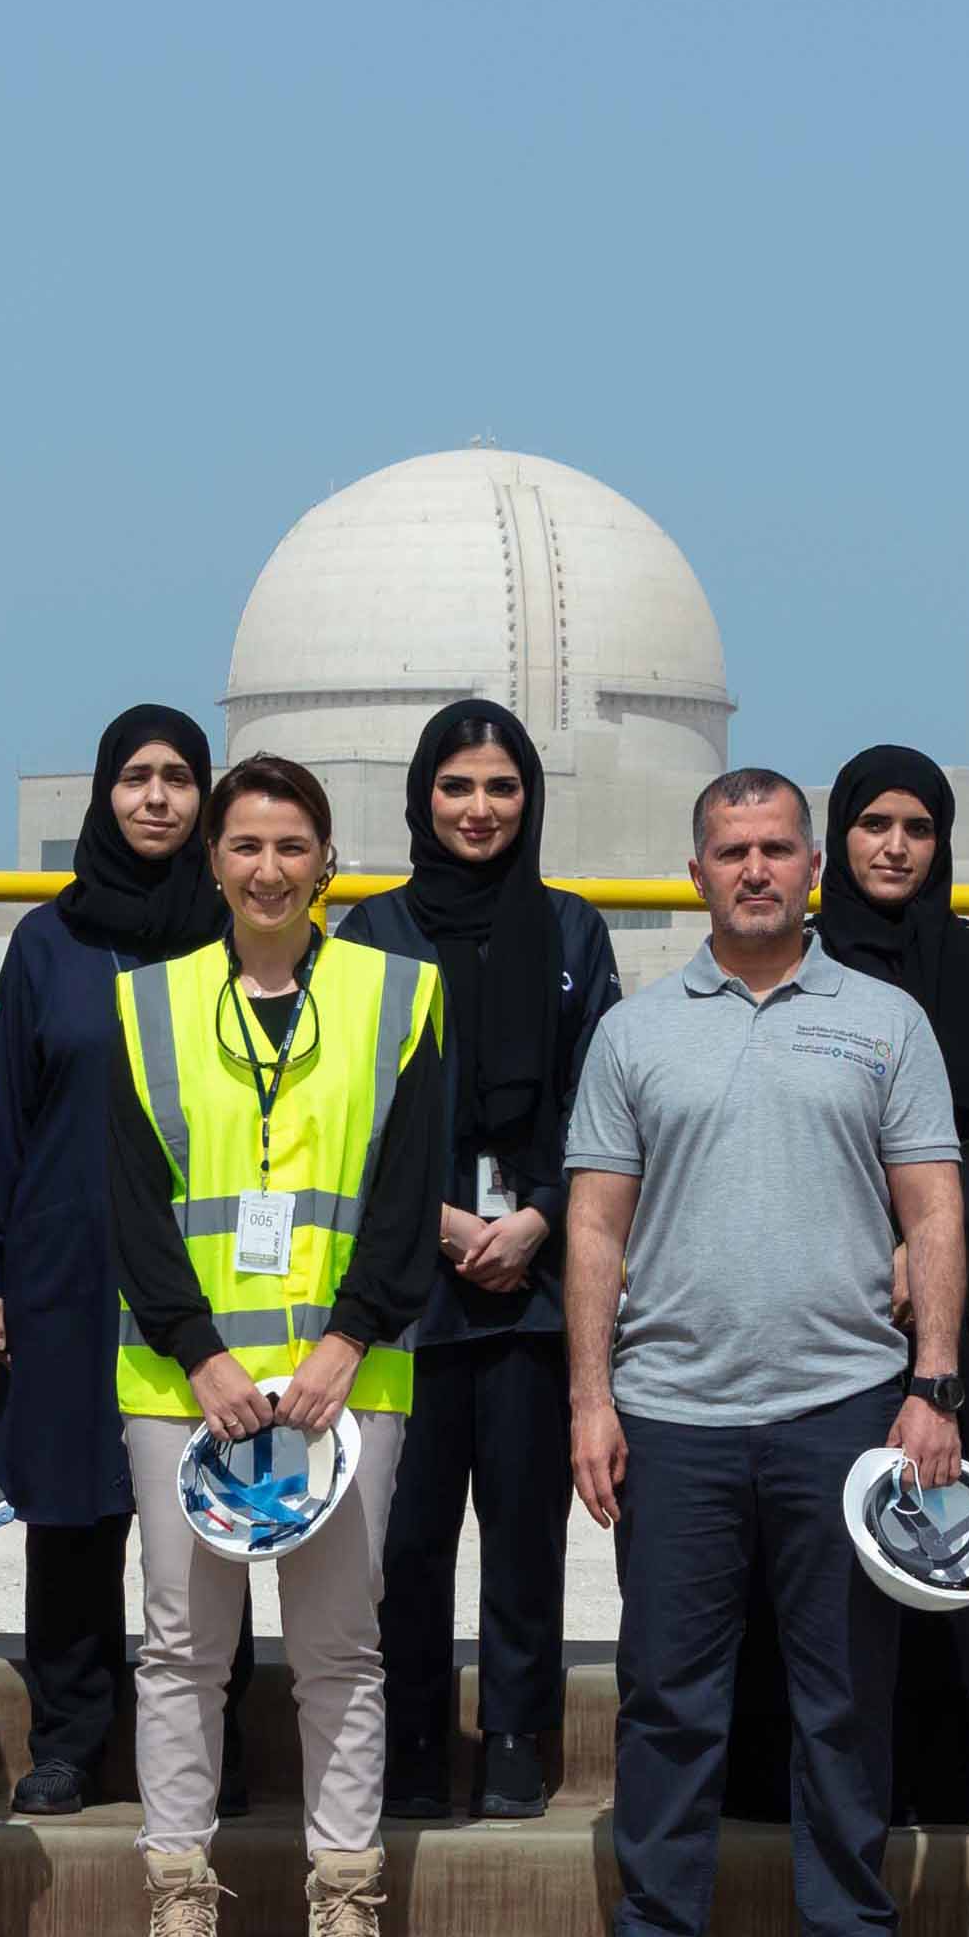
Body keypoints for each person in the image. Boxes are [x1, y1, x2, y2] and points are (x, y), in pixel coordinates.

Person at [566, 771, 969, 1937]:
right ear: (695, 872)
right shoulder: (635, 1032)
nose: (755, 869)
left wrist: (934, 1385)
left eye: (776, 849)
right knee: (668, 1691)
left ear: (812, 869)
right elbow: (590, 1225)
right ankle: (654, 1936)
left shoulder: (886, 1021)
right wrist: (592, 1398)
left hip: (842, 1409)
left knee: (842, 1692)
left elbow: (934, 1210)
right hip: (674, 1412)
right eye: (731, 850)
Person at [104, 756, 450, 1937]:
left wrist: (346, 1343)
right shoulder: (146, 1006)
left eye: (291, 846)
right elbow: (134, 1208)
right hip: (178, 1383)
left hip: (343, 1383)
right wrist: (199, 1354)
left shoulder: (401, 995)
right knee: (182, 1649)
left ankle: (343, 1900)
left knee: (338, 1650)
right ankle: (180, 1895)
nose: (266, 870)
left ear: (327, 862)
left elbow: (409, 1194)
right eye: (243, 845)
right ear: (212, 860)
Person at [335, 700, 622, 1821]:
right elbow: (350, 1110)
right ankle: (409, 1736)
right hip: (408, 1284)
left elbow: (601, 1097)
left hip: (535, 1288)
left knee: (521, 1524)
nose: (478, 808)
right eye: (457, 787)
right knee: (404, 1534)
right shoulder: (372, 932)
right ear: (422, 798)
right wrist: (446, 1225)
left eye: (500, 787)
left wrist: (541, 1217)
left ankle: (513, 1733)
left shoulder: (570, 930)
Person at [0, 707, 247, 1816]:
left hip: (203, 1277)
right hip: (68, 1269)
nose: (156, 797)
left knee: (208, 1516)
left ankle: (208, 1744)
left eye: (179, 777)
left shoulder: (233, 938)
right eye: (134, 776)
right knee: (74, 1518)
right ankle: (70, 1741)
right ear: (103, 791)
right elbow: (6, 1115)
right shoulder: (50, 945)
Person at [812, 746, 969, 1829]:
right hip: (830, 1308)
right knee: (839, 1555)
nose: (895, 845)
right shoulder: (804, 971)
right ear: (838, 840)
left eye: (916, 826)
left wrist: (943, 1246)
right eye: (872, 825)